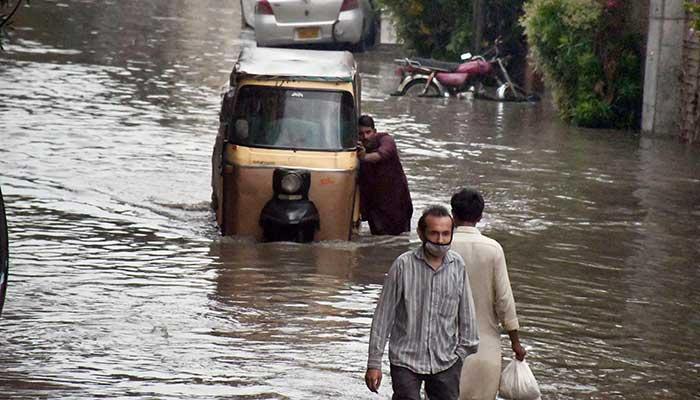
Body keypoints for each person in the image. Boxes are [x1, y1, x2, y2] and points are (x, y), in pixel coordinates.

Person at [365, 205, 479, 400]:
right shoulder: (403, 265)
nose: (440, 240)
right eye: (434, 234)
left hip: (446, 360)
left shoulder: (457, 265)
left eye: (445, 234)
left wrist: (461, 353)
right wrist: (374, 363)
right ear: (421, 233)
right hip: (405, 360)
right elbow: (383, 316)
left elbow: (467, 315)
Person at [449, 188, 527, 400]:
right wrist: (515, 343)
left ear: (453, 215)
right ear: (480, 216)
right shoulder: (493, 249)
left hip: (444, 348)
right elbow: (504, 301)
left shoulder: (442, 247)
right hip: (485, 348)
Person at [356, 115, 413, 235]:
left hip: (397, 204)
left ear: (374, 132)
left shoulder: (386, 140)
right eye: (361, 133)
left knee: (399, 240)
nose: (365, 137)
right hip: (375, 207)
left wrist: (364, 157)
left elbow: (383, 154)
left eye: (368, 132)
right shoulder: (355, 149)